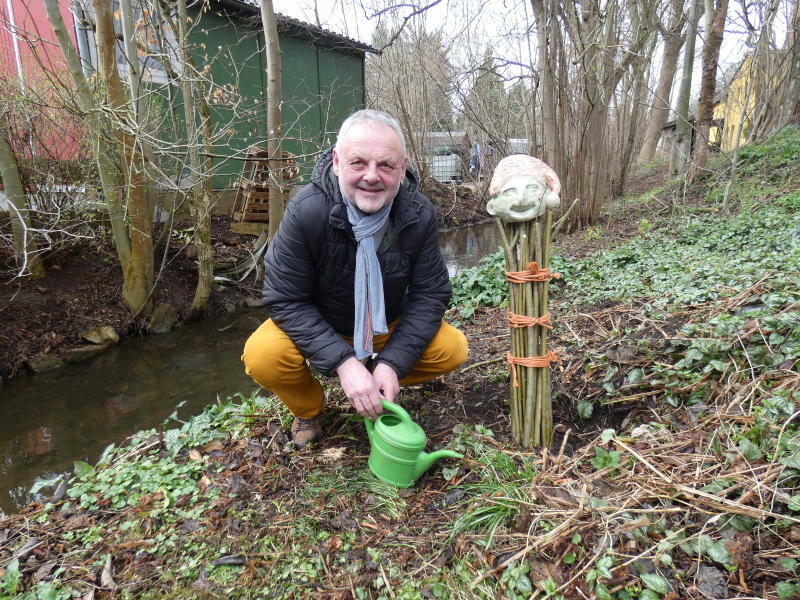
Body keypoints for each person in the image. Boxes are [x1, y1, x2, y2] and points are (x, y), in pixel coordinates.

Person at [242, 109, 469, 448]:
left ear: (402, 167)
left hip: (384, 326)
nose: (372, 176)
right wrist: (344, 363)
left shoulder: (417, 214)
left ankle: (379, 376)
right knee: (263, 355)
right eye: (358, 163)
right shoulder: (307, 211)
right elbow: (285, 299)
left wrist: (392, 363)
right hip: (322, 322)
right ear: (336, 162)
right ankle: (308, 408)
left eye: (386, 165)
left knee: (452, 349)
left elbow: (430, 294)